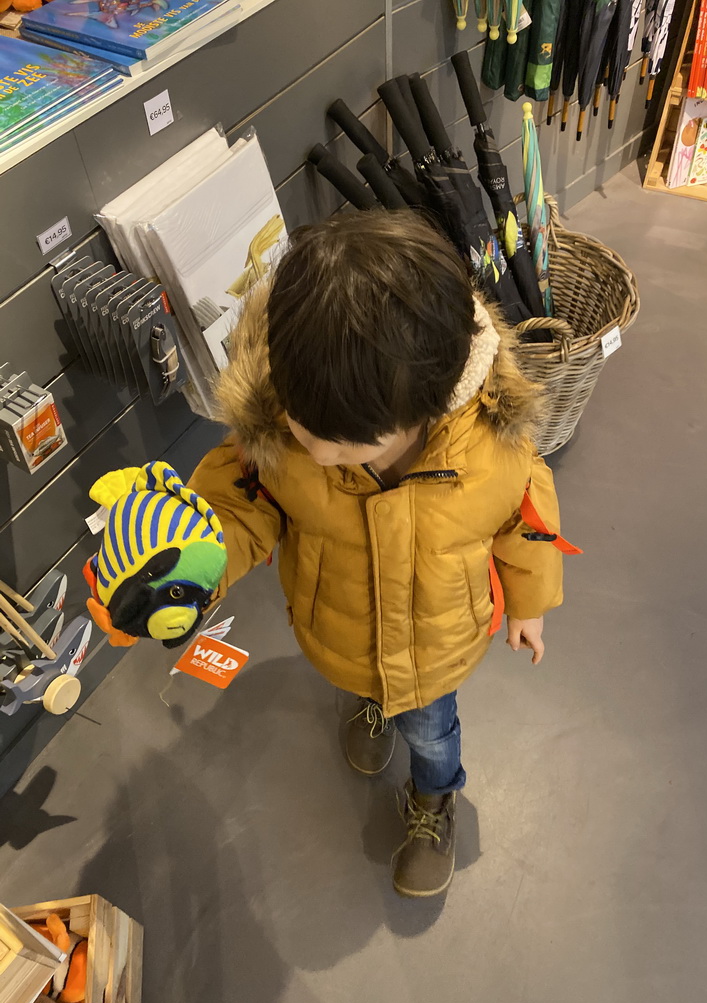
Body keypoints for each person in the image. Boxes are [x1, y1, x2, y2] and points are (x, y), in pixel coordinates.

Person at [190, 210, 573, 899]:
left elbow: (529, 517)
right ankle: (369, 703)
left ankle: (434, 802)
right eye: (302, 428)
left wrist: (530, 604)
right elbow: (237, 502)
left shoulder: (493, 447)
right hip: (339, 621)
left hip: (436, 647)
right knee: (356, 675)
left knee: (432, 734)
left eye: (341, 443)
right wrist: (192, 562)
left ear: (424, 404)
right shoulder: (286, 425)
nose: (313, 449)